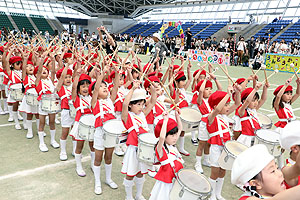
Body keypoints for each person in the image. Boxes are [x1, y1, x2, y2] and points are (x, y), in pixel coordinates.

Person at [121, 81, 156, 200]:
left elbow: (152, 103)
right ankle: (128, 196)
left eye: (142, 104)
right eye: (138, 104)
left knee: (141, 172)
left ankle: (138, 194)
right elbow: (125, 104)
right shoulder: (127, 116)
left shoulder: (142, 115)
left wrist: (153, 90)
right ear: (131, 105)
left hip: (144, 149)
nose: (141, 107)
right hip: (133, 149)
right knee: (130, 173)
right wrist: (133, 88)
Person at [206, 87, 241, 200]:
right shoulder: (211, 117)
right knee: (215, 172)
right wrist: (227, 93)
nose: (227, 107)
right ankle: (211, 195)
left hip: (225, 147)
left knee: (222, 171)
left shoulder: (225, 116)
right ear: (216, 106)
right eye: (226, 104)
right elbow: (217, 110)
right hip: (216, 147)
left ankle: (218, 193)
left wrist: (238, 91)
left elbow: (237, 103)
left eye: (227, 104)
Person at [231, 144, 300, 200]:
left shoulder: (275, 189)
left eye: (277, 168)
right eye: (272, 171)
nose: (280, 174)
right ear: (256, 184)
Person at [90, 66, 119, 195]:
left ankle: (107, 178)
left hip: (111, 132)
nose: (104, 87)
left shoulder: (110, 101)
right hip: (100, 132)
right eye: (102, 86)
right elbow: (96, 89)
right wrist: (101, 76)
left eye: (106, 86)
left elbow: (116, 86)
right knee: (98, 158)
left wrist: (117, 72)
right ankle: (97, 182)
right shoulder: (94, 102)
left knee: (109, 156)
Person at [149, 111, 184, 200]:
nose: (175, 137)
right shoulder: (160, 149)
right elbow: (162, 137)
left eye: (176, 135)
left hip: (175, 178)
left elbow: (180, 128)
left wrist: (177, 116)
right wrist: (165, 120)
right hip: (165, 181)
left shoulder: (172, 146)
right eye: (172, 135)